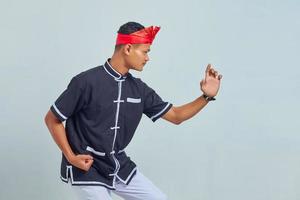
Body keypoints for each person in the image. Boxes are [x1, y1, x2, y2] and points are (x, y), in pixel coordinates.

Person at [44, 21, 222, 200]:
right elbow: (52, 119)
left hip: (118, 166)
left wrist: (206, 97)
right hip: (87, 168)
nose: (147, 58)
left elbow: (176, 116)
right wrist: (71, 157)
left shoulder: (139, 89)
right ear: (128, 49)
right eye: (145, 52)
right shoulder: (85, 82)